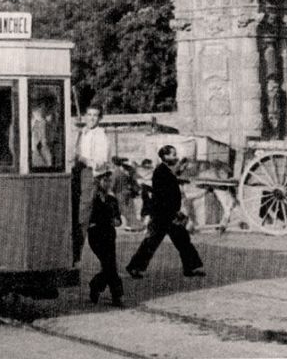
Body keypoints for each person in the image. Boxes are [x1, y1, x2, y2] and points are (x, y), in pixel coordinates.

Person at [126, 145, 206, 279]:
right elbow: (163, 195)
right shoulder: (161, 172)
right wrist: (174, 212)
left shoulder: (166, 170)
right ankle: (134, 267)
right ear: (165, 156)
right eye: (173, 154)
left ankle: (190, 268)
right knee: (151, 242)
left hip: (168, 213)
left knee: (183, 240)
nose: (176, 157)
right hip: (162, 215)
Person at [72, 104, 112, 264]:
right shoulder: (82, 133)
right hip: (77, 174)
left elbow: (101, 163)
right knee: (73, 213)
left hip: (90, 176)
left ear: (100, 118)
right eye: (89, 114)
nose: (91, 118)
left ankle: (76, 255)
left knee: (83, 216)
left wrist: (84, 159)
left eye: (95, 115)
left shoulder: (101, 136)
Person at [87, 165, 124, 307]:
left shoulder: (112, 200)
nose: (108, 183)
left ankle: (98, 287)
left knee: (109, 266)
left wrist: (117, 221)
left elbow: (118, 219)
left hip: (109, 235)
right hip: (96, 236)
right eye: (105, 180)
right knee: (109, 265)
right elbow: (85, 216)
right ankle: (114, 294)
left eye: (110, 181)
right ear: (98, 181)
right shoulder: (91, 199)